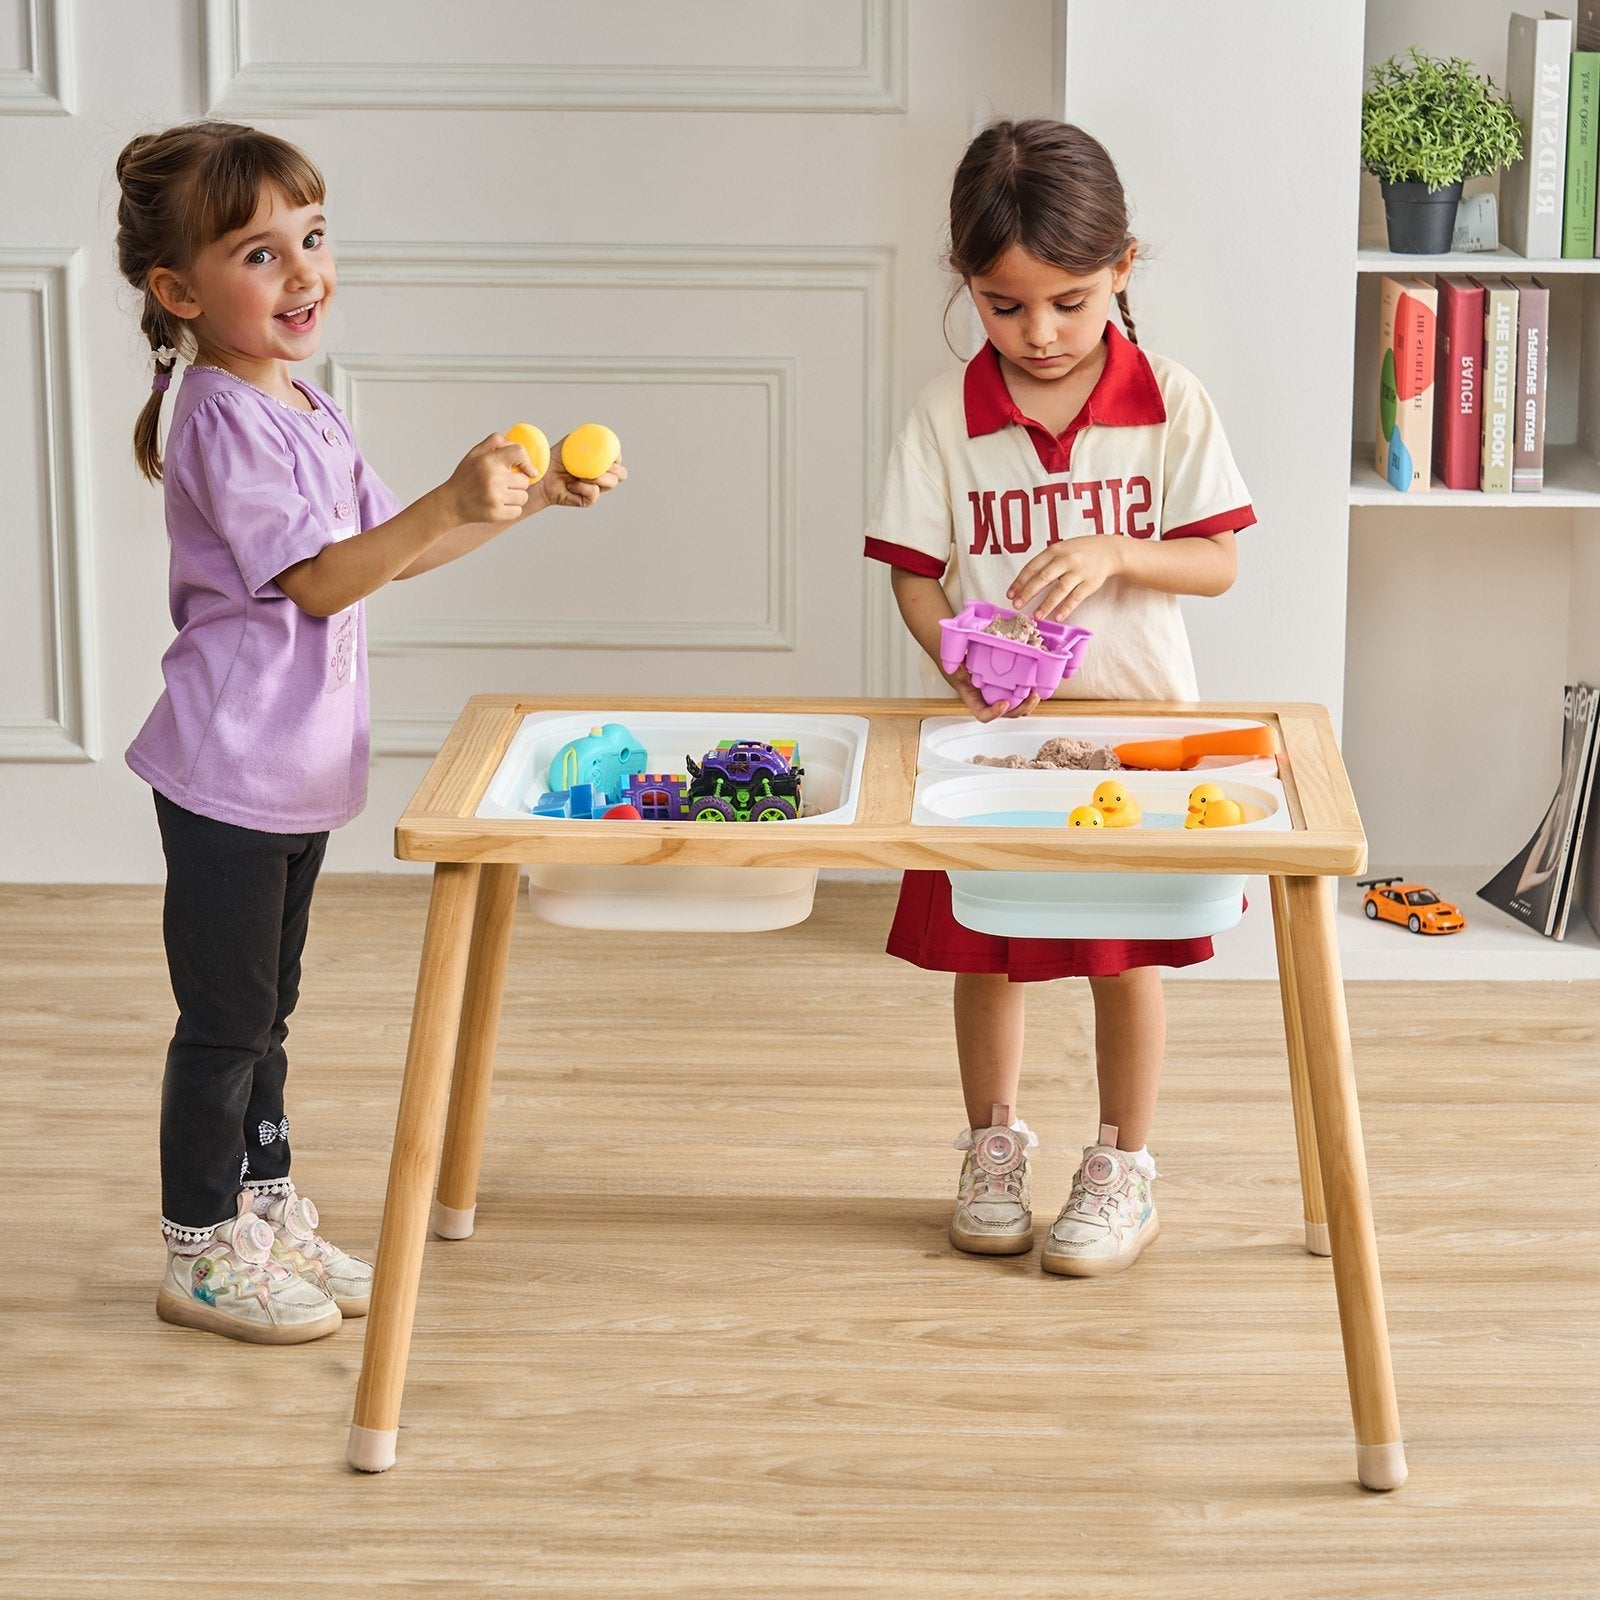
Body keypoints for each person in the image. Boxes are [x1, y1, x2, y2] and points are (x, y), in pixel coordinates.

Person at [114, 121, 625, 1343]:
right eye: (260, 253)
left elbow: (392, 553)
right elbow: (321, 580)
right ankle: (199, 1250)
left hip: (290, 772)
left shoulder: (302, 406)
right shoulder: (221, 419)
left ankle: (262, 1208)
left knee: (267, 1016)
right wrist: (446, 497)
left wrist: (522, 503)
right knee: (226, 1025)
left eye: (313, 237)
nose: (304, 271)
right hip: (228, 773)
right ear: (180, 292)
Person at [864, 119, 1254, 1276]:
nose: (1038, 332)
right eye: (1003, 305)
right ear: (965, 284)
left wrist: (1116, 550)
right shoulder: (942, 417)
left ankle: (1123, 1164)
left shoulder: (1169, 401)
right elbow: (914, 575)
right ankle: (991, 1149)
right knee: (988, 949)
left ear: (1121, 268)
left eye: (1069, 303)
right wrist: (954, 661)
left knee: (1122, 959)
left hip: (1135, 740)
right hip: (993, 747)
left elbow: (1217, 562)